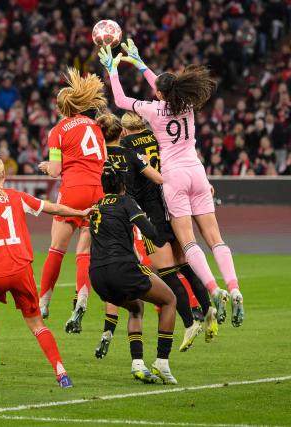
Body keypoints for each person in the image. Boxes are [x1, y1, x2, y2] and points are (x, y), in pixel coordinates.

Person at [99, 39, 244, 328]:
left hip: (173, 176)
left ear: (160, 93)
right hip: (198, 171)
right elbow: (165, 86)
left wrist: (112, 70)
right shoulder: (188, 104)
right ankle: (235, 287)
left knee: (188, 241)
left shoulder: (152, 110)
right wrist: (141, 64)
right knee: (216, 239)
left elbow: (121, 101)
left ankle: (214, 290)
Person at [0, 156, 94, 387]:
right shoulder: (17, 197)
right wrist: (81, 212)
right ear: (4, 174)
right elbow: (53, 208)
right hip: (20, 269)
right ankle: (61, 373)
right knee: (37, 325)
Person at [93, 113, 208, 358]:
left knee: (156, 273)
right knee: (175, 265)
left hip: (123, 219)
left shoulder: (101, 157)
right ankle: (202, 310)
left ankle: (187, 320)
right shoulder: (152, 140)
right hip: (158, 206)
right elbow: (159, 175)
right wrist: (191, 185)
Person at [89, 162, 177, 384]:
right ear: (123, 183)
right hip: (122, 269)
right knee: (169, 300)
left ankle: (137, 363)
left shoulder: (97, 205)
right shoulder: (126, 202)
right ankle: (162, 362)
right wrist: (165, 233)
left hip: (97, 276)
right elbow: (149, 231)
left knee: (136, 307)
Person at [37, 67, 107, 334]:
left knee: (56, 248)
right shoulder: (95, 125)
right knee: (84, 252)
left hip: (73, 189)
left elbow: (55, 171)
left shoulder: (58, 130)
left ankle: (43, 304)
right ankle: (82, 300)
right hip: (98, 190)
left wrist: (48, 166)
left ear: (60, 108)